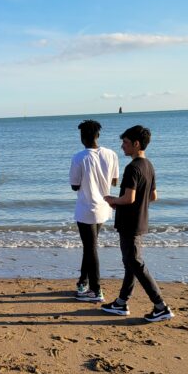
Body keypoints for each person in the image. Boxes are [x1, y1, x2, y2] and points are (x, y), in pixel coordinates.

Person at [102, 125, 174, 322]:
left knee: (135, 263)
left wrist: (112, 200)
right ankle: (121, 302)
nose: (122, 146)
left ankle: (161, 306)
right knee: (130, 263)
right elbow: (153, 196)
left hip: (129, 223)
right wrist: (129, 204)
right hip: (139, 220)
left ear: (136, 144)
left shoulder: (132, 167)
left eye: (125, 142)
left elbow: (129, 198)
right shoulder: (148, 165)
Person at [70, 120, 119, 302]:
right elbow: (114, 181)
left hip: (86, 208)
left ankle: (96, 289)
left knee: (91, 248)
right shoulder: (111, 154)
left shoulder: (79, 157)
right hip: (104, 207)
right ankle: (83, 281)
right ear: (98, 135)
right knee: (89, 246)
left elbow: (75, 186)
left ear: (82, 137)